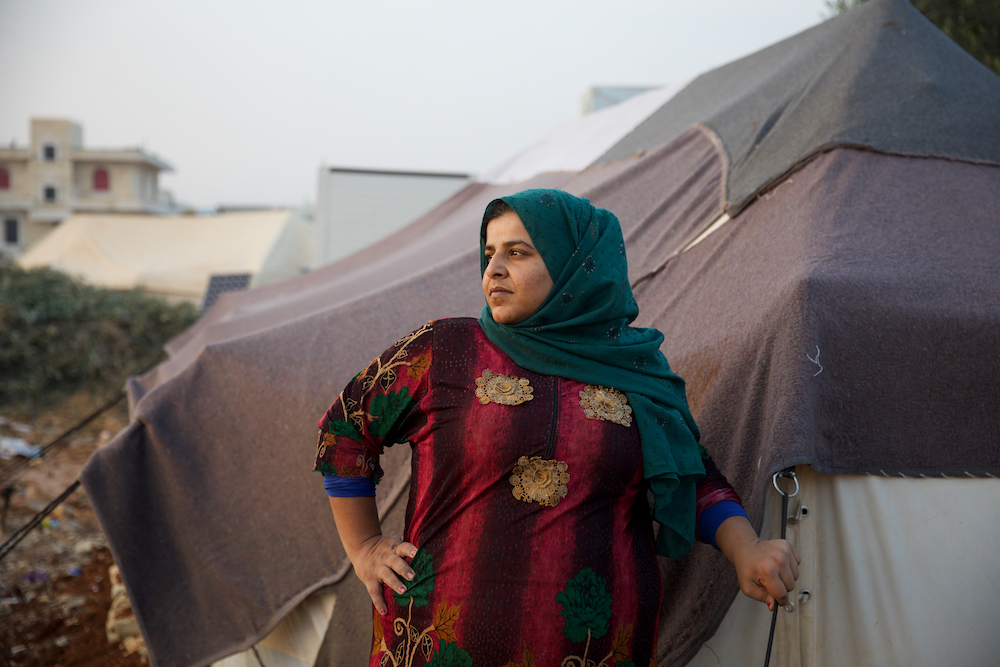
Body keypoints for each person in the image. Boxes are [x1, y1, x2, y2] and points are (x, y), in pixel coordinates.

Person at [314, 189, 799, 666]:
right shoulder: (446, 349)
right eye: (489, 253)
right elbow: (346, 427)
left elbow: (691, 477)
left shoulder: (635, 371)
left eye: (518, 252)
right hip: (438, 643)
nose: (494, 269)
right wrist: (364, 547)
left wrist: (747, 549)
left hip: (596, 648)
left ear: (577, 265)